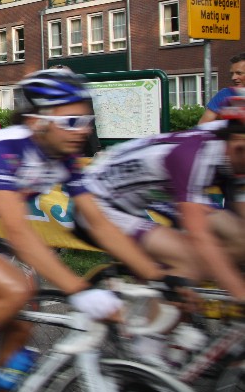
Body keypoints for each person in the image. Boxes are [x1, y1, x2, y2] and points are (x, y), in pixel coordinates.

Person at [0, 69, 162, 392]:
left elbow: (99, 224)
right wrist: (80, 290)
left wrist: (159, 277)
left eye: (86, 121)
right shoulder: (5, 149)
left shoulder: (64, 158)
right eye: (71, 121)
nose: (83, 130)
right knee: (15, 289)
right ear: (37, 122)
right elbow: (17, 232)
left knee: (23, 320)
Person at [80, 91, 245, 300]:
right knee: (192, 264)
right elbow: (200, 235)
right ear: (238, 144)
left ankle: (171, 284)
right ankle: (157, 298)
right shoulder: (195, 156)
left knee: (240, 238)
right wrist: (239, 292)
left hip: (150, 194)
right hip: (98, 202)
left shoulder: (231, 145)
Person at [200, 52, 245, 124]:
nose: (233, 77)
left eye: (239, 73)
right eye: (232, 73)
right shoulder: (224, 94)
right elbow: (203, 125)